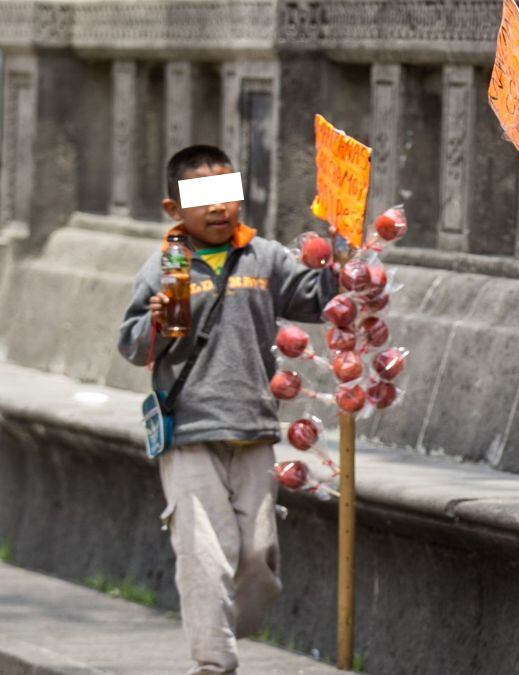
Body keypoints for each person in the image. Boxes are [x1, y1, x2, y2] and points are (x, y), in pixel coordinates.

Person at [117, 145, 338, 675]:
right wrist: (157, 321)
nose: (218, 210)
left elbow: (317, 299)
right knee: (205, 554)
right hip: (189, 429)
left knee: (258, 557)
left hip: (254, 427)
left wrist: (346, 259)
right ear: (174, 210)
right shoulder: (165, 266)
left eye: (226, 195)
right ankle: (213, 663)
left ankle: (226, 628)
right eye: (202, 199)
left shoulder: (263, 257)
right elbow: (132, 346)